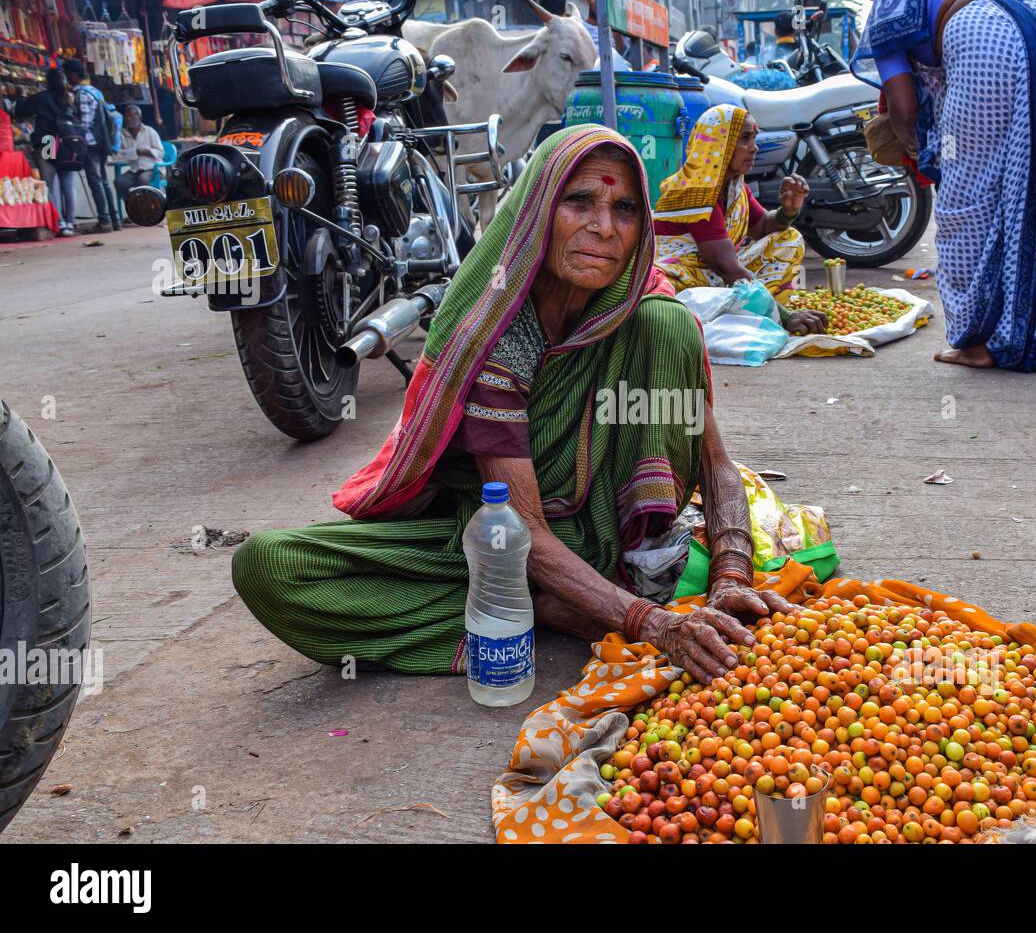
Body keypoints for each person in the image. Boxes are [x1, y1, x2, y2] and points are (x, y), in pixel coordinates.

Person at [232, 126, 793, 681]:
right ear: (537, 213)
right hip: (497, 543)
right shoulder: (493, 334)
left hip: (610, 537)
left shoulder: (643, 311)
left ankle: (583, 594)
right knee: (271, 567)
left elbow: (714, 463)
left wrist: (732, 576)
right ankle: (555, 607)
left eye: (624, 209)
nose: (603, 227)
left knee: (667, 325)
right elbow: (521, 530)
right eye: (579, 202)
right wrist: (651, 624)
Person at [847, 0, 1036, 371]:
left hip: (982, 38)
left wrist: (926, 154)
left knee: (966, 207)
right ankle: (1033, 332)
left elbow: (903, 110)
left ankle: (977, 342)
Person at [652, 105, 828, 336]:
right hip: (684, 280)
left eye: (754, 138)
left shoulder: (734, 187)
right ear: (717, 143)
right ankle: (759, 308)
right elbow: (726, 267)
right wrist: (786, 316)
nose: (754, 148)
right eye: (744, 138)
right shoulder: (696, 190)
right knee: (669, 296)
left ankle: (753, 306)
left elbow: (762, 227)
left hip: (714, 278)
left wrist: (788, 210)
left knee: (789, 239)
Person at [13, 68, 81, 237]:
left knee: (49, 183)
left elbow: (20, 112)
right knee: (68, 183)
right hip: (67, 142)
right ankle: (71, 222)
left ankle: (60, 222)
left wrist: (20, 97)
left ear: (47, 82)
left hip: (48, 141)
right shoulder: (69, 99)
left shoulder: (42, 98)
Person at [62, 59, 118, 233]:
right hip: (101, 143)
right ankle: (113, 220)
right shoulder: (94, 91)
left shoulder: (81, 94)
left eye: (66, 75)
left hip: (90, 144)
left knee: (96, 182)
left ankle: (104, 221)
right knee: (103, 182)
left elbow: (84, 124)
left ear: (72, 75)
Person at [112, 105, 163, 211]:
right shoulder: (122, 134)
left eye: (132, 116)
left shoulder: (150, 131)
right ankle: (133, 208)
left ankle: (150, 210)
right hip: (135, 169)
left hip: (152, 168)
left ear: (139, 117)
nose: (129, 119)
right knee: (119, 182)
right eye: (127, 116)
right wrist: (132, 152)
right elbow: (117, 153)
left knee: (143, 179)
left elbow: (160, 152)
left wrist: (147, 151)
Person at [584, 0, 632, 71]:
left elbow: (623, 55)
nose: (602, 3)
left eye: (607, 0)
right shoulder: (579, 26)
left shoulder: (615, 30)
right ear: (588, 0)